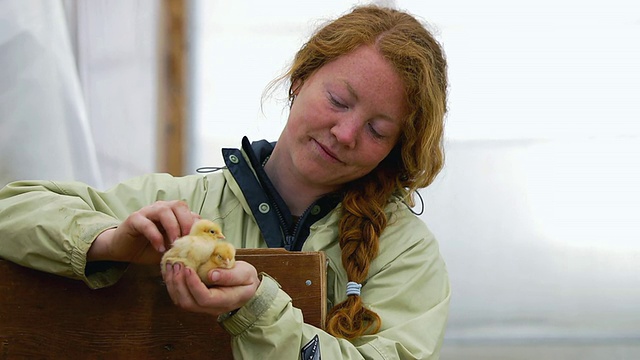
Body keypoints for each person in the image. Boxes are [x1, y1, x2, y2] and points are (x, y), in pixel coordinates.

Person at [0, 4, 450, 359]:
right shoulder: (182, 203)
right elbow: (12, 208)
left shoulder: (404, 253)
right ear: (300, 79)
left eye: (377, 130)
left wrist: (256, 310)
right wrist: (106, 242)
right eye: (338, 100)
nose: (346, 133)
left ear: (397, 148)